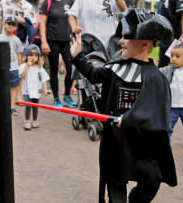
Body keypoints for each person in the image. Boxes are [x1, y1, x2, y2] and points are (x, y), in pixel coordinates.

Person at [70, 9, 177, 203]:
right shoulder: (116, 68)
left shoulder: (157, 79)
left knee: (152, 178)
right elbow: (94, 75)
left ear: (144, 44)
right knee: (115, 182)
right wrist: (78, 57)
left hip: (143, 144)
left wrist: (131, 119)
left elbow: (157, 114)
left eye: (125, 37)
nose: (120, 41)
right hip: (117, 142)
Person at [160, 44, 183, 151]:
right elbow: (157, 73)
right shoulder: (167, 70)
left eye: (177, 56)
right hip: (171, 106)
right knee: (168, 127)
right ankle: (166, 143)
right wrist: (152, 65)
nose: (173, 59)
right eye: (172, 56)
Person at [39, 0, 76, 108]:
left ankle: (67, 95)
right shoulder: (48, 3)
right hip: (52, 40)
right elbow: (42, 23)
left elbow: (73, 18)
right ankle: (56, 98)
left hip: (66, 41)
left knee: (70, 68)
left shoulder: (69, 2)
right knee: (54, 70)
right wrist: (44, 42)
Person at [0, 17, 23, 116]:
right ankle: (2, 106)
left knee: (13, 88)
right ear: (5, 25)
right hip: (1, 68)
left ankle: (12, 106)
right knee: (1, 88)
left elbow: (19, 55)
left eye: (13, 25)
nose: (10, 26)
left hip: (13, 68)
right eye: (8, 24)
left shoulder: (17, 40)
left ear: (16, 28)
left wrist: (19, 68)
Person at [19, 44, 49, 130]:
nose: (33, 57)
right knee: (28, 105)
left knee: (35, 106)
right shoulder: (23, 66)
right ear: (27, 56)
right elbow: (22, 75)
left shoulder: (40, 68)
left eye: (36, 55)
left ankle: (35, 120)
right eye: (31, 55)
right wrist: (27, 66)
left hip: (37, 90)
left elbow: (44, 79)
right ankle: (27, 121)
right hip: (26, 90)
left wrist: (45, 89)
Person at [158, 0, 183, 67]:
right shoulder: (161, 1)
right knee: (162, 67)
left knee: (178, 68)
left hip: (176, 39)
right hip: (165, 39)